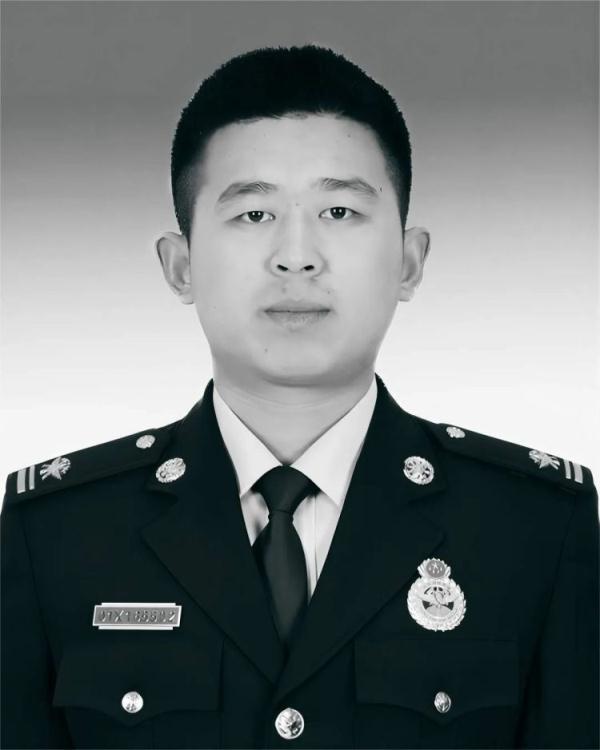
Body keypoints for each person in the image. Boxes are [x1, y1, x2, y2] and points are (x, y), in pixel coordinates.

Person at [1, 44, 598, 750]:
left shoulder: (535, 528)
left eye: (339, 211)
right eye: (253, 214)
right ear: (180, 265)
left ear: (409, 262)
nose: (296, 255)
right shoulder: (57, 535)